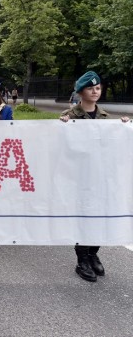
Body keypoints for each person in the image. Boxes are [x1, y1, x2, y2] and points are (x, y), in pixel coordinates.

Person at [59, 71, 129, 282]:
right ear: (81, 92)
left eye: (97, 88)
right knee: (84, 217)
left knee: (100, 217)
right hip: (80, 178)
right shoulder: (69, 116)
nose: (95, 91)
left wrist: (124, 127)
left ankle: (93, 253)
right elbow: (60, 147)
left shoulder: (107, 118)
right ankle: (82, 259)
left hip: (102, 179)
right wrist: (60, 126)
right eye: (90, 88)